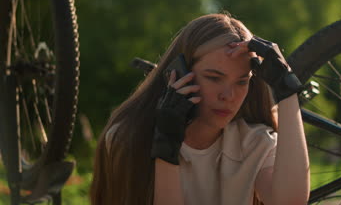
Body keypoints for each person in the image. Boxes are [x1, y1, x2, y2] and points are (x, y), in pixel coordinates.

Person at [90, 13, 310, 205]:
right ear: (178, 73)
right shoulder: (127, 138)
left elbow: (289, 202)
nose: (228, 96)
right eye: (214, 78)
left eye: (242, 82)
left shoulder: (255, 143)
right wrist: (166, 143)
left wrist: (287, 90)